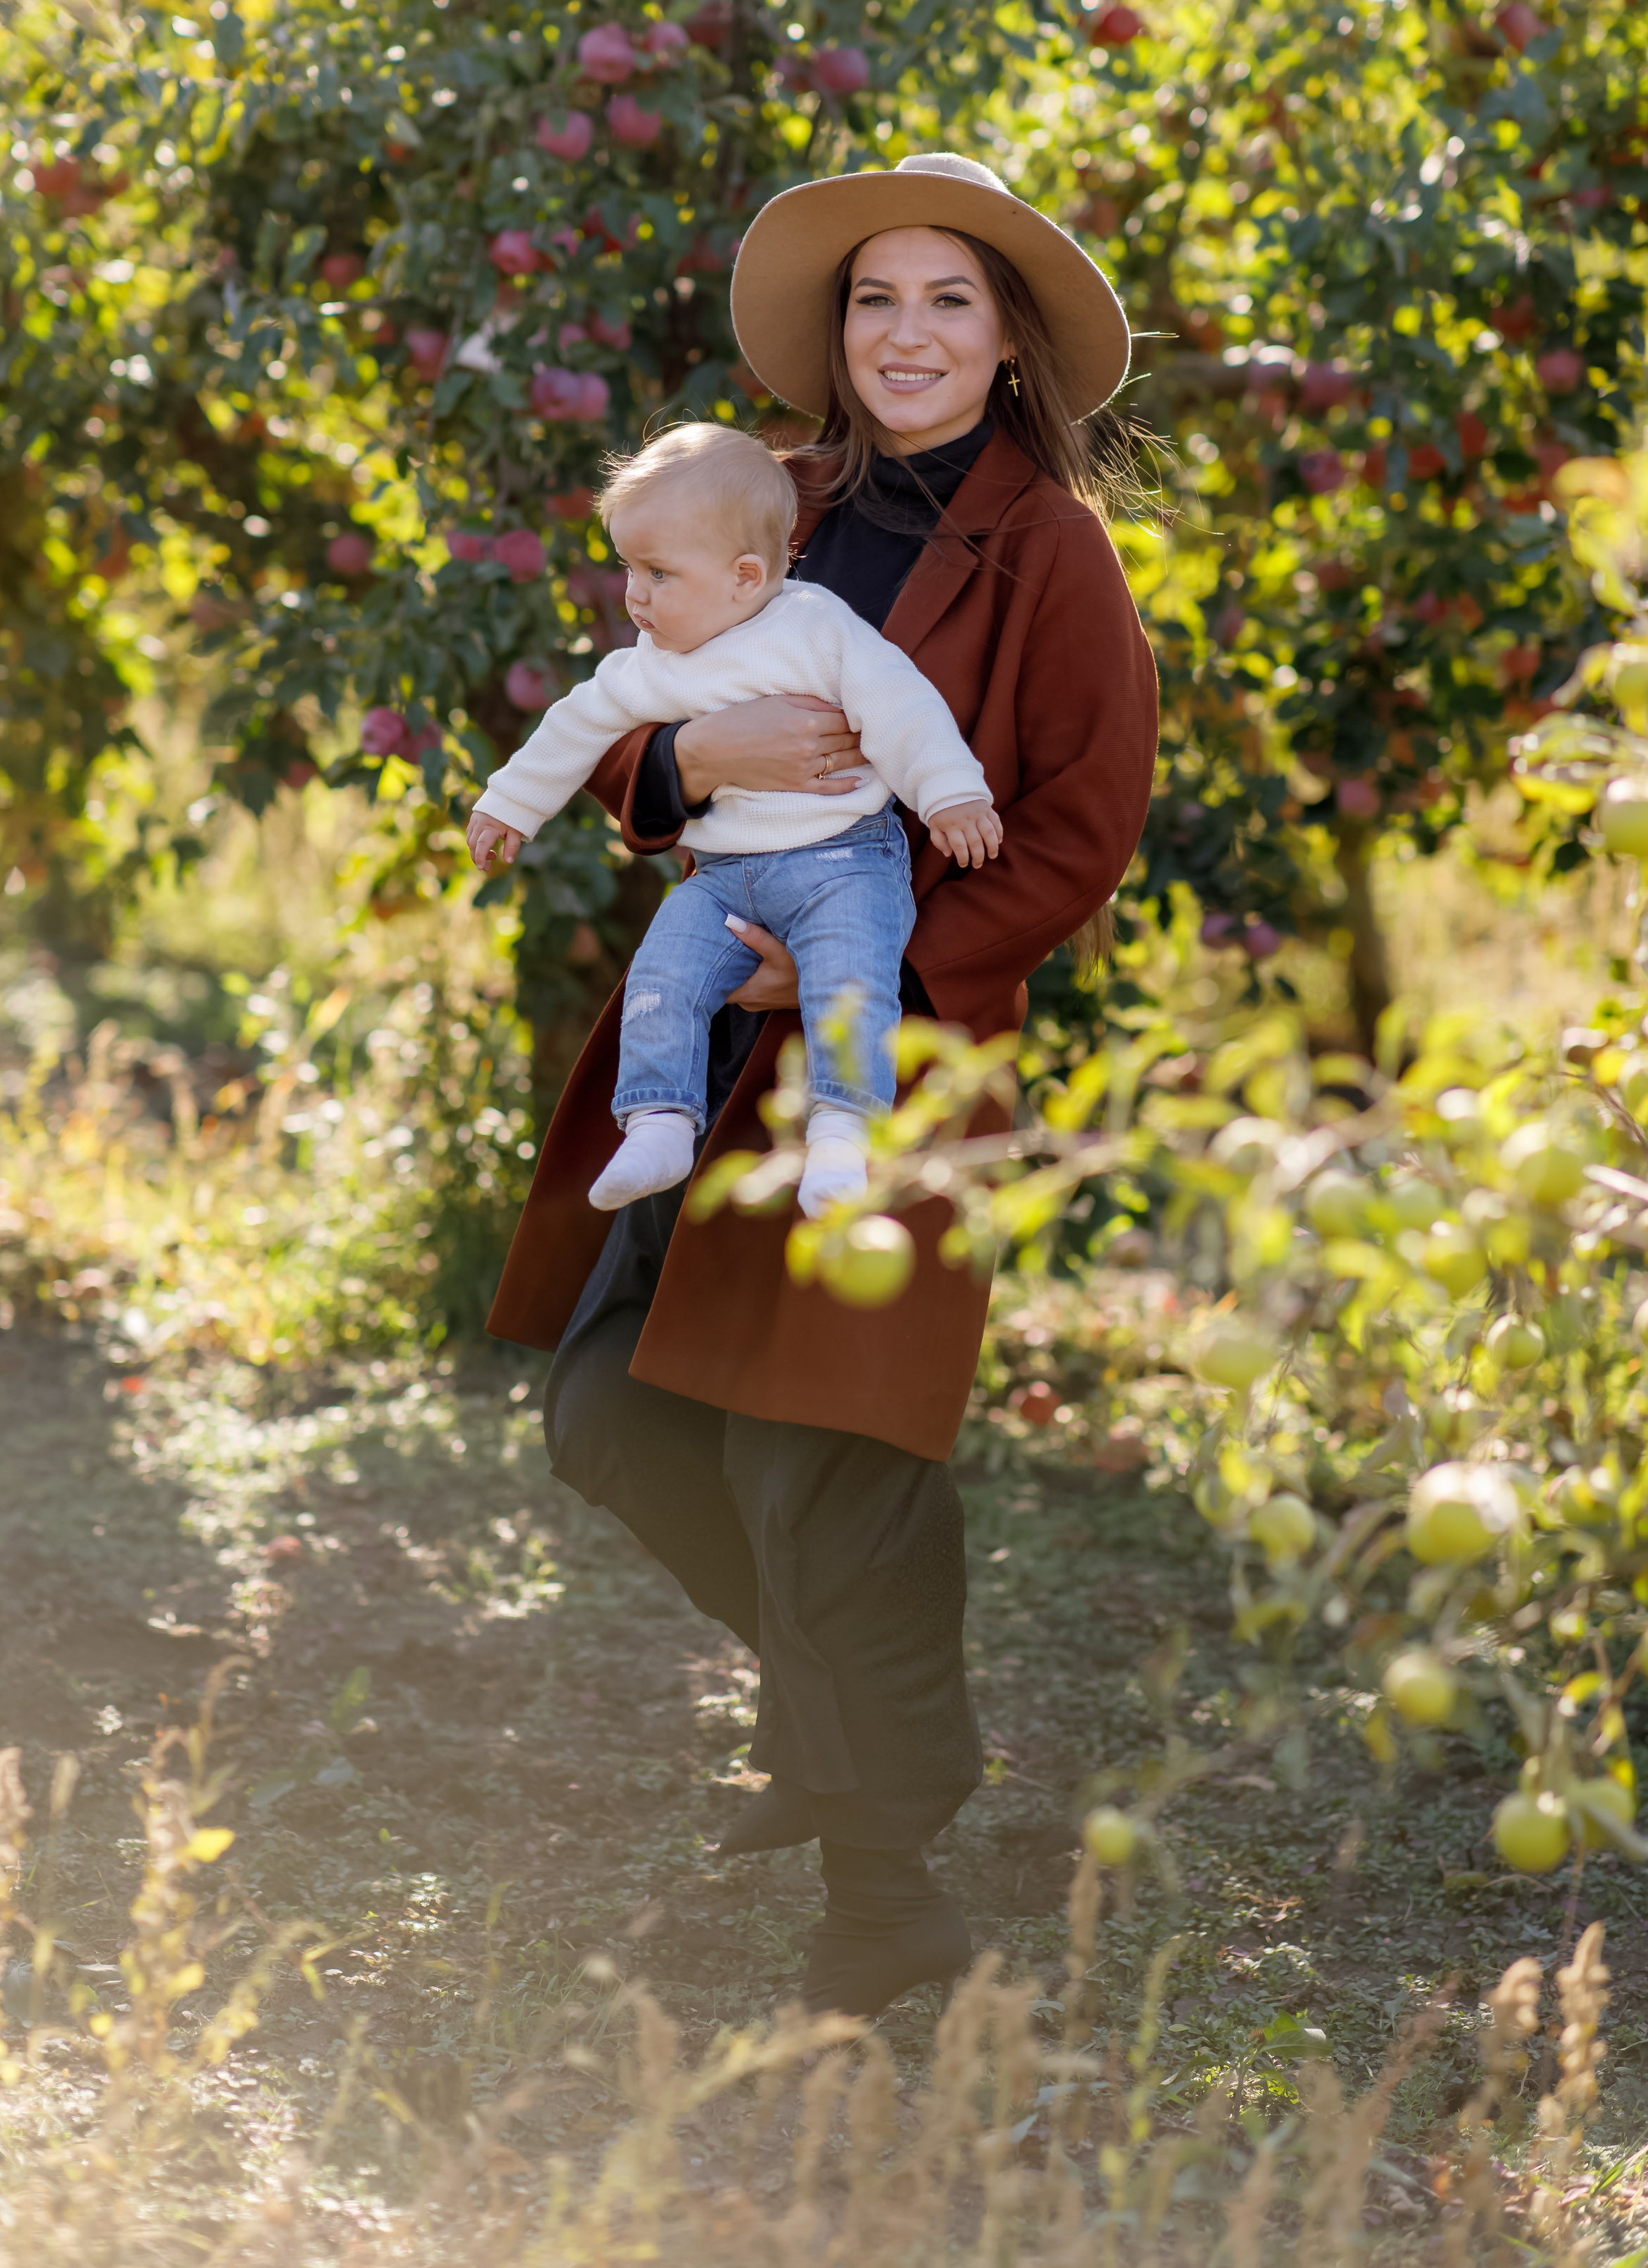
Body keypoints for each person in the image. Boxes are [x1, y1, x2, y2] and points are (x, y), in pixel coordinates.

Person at [487, 152, 1160, 2017]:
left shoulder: (1049, 552)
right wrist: (693, 771)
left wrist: (873, 954)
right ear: (837, 335)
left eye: (951, 299)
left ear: (1009, 337)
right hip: (712, 1053)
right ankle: (833, 1720)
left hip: (897, 1055)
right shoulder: (764, 505)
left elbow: (1078, 837)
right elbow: (630, 740)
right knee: (614, 1418)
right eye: (878, 299)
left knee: (828, 1463)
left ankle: (889, 1904)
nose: (910, 332)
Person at [465, 422, 1003, 1220]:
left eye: (657, 573)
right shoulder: (651, 665)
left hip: (843, 861)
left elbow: (900, 705)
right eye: (628, 569)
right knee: (663, 975)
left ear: (746, 576)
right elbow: (574, 730)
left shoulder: (814, 629)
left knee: (851, 982)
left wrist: (951, 791)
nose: (634, 596)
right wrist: (508, 804)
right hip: (724, 876)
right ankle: (657, 1121)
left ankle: (842, 1133)